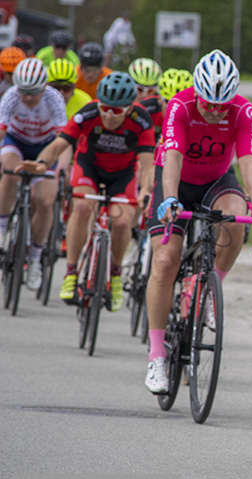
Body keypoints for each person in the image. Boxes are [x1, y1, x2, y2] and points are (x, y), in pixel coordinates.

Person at [144, 50, 252, 394]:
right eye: (209, 104)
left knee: (235, 220)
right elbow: (172, 156)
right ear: (197, 92)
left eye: (222, 105)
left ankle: (208, 290)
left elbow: (248, 161)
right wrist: (169, 198)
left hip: (217, 179)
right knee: (165, 260)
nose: (215, 110)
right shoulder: (180, 106)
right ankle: (157, 356)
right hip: (176, 179)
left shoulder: (243, 110)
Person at [17, 72, 154, 311]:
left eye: (117, 111)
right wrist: (41, 165)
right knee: (82, 207)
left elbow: (147, 162)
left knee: (121, 222)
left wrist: (145, 190)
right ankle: (71, 272)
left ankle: (115, 273)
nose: (109, 116)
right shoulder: (89, 113)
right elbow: (59, 144)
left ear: (129, 108)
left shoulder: (141, 120)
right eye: (105, 108)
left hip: (122, 175)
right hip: (89, 168)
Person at [0, 58, 67, 290]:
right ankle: (1, 229)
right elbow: (1, 132)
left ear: (44, 87)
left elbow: (63, 139)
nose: (27, 98)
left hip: (44, 148)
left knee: (45, 201)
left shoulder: (54, 98)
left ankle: (36, 258)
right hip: (16, 142)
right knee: (9, 173)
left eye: (33, 93)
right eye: (23, 92)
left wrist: (58, 168)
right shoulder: (10, 96)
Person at [141, 68, 193, 143]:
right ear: (159, 98)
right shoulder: (146, 108)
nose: (174, 109)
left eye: (182, 103)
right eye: (168, 102)